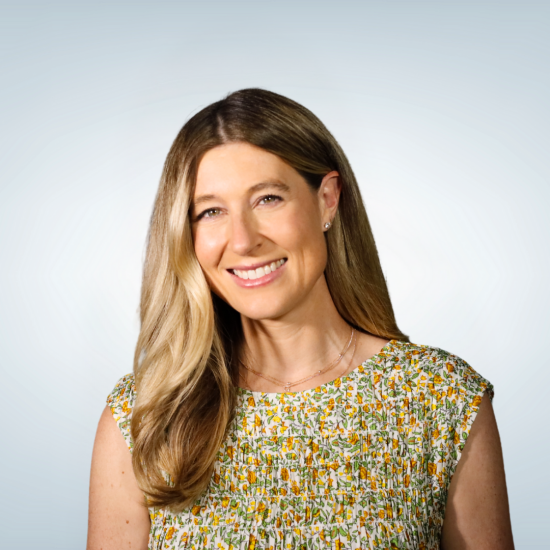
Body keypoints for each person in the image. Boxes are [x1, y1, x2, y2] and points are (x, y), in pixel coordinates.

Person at [87, 88, 514, 550]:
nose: (243, 240)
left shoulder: (440, 399)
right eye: (210, 211)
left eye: (267, 199)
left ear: (327, 199)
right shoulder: (144, 418)